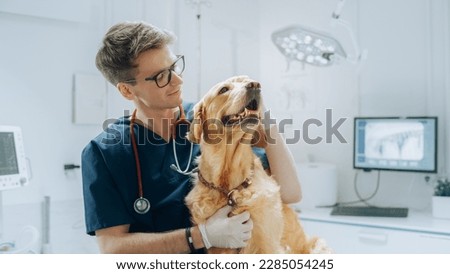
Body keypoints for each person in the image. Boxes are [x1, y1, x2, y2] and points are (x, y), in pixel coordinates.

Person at [81, 21, 302, 254]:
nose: (177, 81)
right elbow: (112, 248)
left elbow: (289, 192)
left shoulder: (210, 120)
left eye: (175, 67)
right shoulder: (104, 153)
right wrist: (199, 236)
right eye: (161, 77)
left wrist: (261, 112)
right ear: (127, 90)